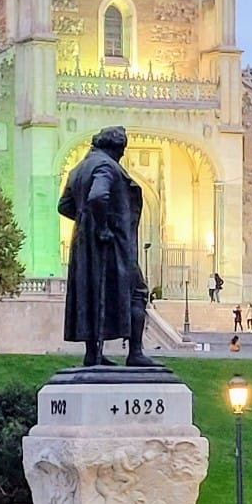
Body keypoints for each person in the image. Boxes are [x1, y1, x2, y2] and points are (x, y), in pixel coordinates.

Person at [58, 126, 156, 367]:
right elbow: (98, 196)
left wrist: (86, 222)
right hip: (111, 245)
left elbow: (64, 206)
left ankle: (93, 353)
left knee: (90, 294)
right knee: (137, 292)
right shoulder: (106, 167)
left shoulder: (78, 169)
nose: (122, 155)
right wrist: (101, 226)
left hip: (84, 245)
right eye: (122, 151)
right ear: (116, 148)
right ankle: (135, 352)